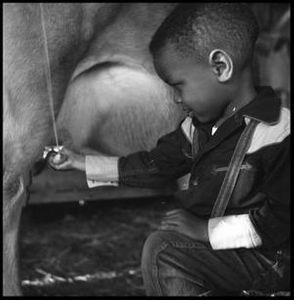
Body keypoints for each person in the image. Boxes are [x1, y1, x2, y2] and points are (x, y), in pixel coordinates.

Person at [47, 3, 290, 296]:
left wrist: (207, 230)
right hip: (233, 256)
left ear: (220, 68)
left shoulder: (280, 131)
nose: (176, 100)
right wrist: (80, 162)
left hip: (274, 262)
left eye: (179, 85)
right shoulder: (196, 130)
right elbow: (155, 165)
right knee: (165, 248)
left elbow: (281, 221)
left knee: (164, 250)